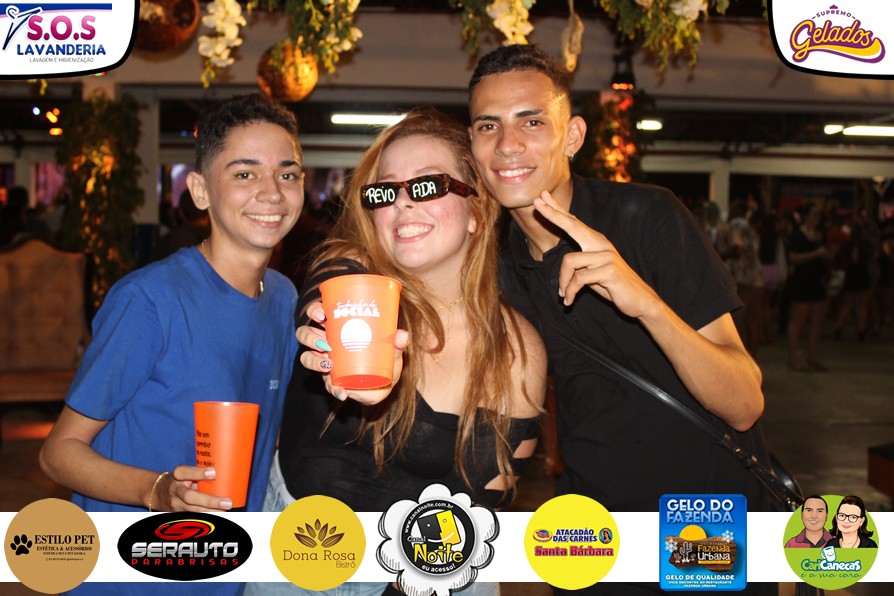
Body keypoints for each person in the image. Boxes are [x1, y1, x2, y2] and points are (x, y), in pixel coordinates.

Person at [468, 44, 772, 595]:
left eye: (531, 121)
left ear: (572, 136)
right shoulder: (498, 272)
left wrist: (646, 304)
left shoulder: (646, 217)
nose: (507, 143)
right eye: (488, 126)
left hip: (701, 522)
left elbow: (745, 403)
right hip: (592, 533)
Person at [249, 108, 546, 596]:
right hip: (300, 554)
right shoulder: (353, 274)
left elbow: (484, 499)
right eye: (384, 192)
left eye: (427, 185)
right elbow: (326, 294)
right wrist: (334, 347)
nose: (403, 203)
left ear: (476, 210)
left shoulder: (514, 347)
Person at [39, 94, 305, 595]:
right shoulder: (149, 300)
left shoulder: (285, 298)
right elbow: (59, 453)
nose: (272, 192)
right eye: (245, 173)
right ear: (201, 191)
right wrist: (158, 490)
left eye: (287, 174)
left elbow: (270, 433)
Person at [787, 204, 830, 371]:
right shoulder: (798, 235)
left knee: (817, 323)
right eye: (814, 214)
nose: (817, 218)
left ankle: (813, 357)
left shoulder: (820, 234)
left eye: (818, 215)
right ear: (806, 216)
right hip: (802, 281)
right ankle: (793, 358)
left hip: (817, 281)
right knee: (798, 321)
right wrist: (816, 254)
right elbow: (793, 258)